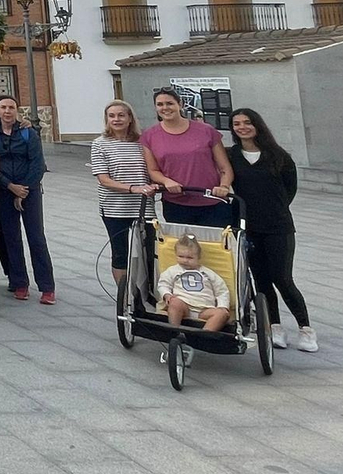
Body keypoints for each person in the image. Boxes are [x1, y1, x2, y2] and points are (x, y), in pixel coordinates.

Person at [228, 109, 316, 352]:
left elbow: (290, 189)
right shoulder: (231, 155)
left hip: (278, 227)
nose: (242, 127)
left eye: (247, 122)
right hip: (249, 227)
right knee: (261, 280)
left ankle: (306, 329)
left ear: (258, 125)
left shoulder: (278, 156)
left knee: (283, 278)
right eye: (236, 124)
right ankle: (274, 326)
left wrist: (273, 209)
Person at [0, 95, 54, 304]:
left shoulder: (28, 132)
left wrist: (23, 190)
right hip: (5, 190)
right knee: (11, 238)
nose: (7, 111)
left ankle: (47, 287)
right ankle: (19, 283)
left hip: (30, 190)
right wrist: (10, 187)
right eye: (3, 107)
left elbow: (37, 163)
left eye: (11, 107)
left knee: (36, 237)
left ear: (17, 110)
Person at [142, 88, 234, 228]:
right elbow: (153, 170)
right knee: (184, 248)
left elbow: (225, 167)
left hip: (212, 202)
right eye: (160, 104)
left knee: (214, 248)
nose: (165, 108)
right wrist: (166, 181)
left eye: (170, 103)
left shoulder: (206, 130)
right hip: (176, 204)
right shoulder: (150, 136)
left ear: (181, 104)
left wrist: (224, 186)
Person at [92, 100, 159, 288]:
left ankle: (147, 292)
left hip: (143, 207)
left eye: (121, 115)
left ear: (130, 118)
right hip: (115, 208)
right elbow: (103, 179)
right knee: (120, 252)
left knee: (148, 251)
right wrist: (133, 188)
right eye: (112, 116)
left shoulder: (143, 141)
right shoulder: (100, 144)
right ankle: (125, 297)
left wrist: (154, 185)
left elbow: (153, 168)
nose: (116, 119)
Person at [158, 234, 232, 332]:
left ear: (198, 257)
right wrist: (166, 294)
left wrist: (223, 306)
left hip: (205, 310)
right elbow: (163, 283)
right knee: (174, 303)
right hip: (184, 307)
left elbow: (222, 291)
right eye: (181, 256)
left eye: (190, 258)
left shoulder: (208, 273)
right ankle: (175, 331)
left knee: (223, 314)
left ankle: (204, 335)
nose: (185, 260)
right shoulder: (173, 271)